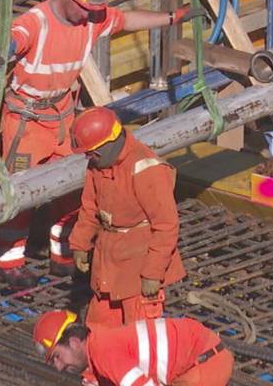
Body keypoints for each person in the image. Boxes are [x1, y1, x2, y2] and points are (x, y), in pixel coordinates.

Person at [0, 0, 201, 289]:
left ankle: (62, 254)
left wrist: (172, 18)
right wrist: (4, 49)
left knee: (72, 188)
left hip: (61, 118)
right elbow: (14, 38)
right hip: (26, 123)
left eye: (93, 9)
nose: (89, 15)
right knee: (21, 194)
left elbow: (128, 19)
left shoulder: (91, 19)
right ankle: (9, 262)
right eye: (84, 8)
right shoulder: (38, 22)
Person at [68, 107, 185, 330]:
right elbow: (90, 207)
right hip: (109, 261)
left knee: (140, 335)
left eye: (91, 153)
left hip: (139, 264)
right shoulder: (98, 164)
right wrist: (80, 244)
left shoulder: (145, 169)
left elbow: (166, 225)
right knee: (98, 331)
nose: (88, 158)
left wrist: (152, 273)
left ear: (108, 145)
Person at [34, 310, 234, 386]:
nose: (59, 367)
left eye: (58, 357)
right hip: (203, 359)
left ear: (74, 342)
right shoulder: (97, 341)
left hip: (204, 365)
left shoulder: (103, 352)